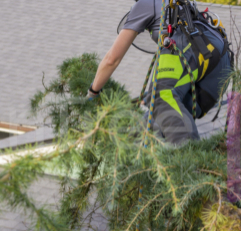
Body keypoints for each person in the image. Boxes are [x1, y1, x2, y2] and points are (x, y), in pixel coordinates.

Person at [87, 0, 231, 145]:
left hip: (198, 50)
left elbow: (111, 59)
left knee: (159, 97)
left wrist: (92, 93)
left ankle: (191, 160)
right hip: (219, 64)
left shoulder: (145, 4)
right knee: (154, 124)